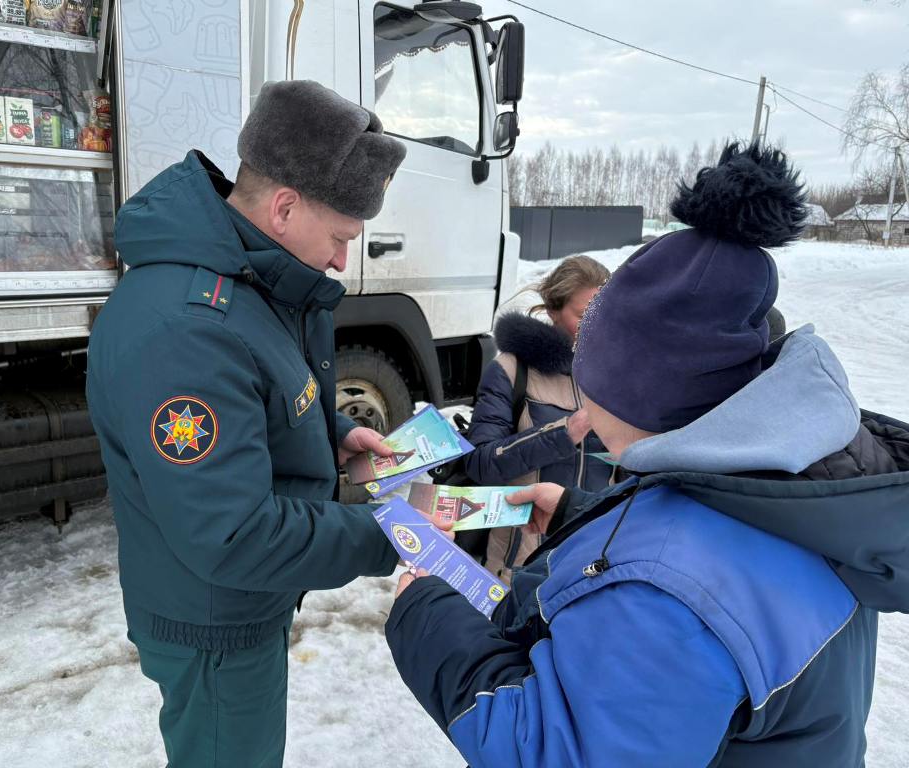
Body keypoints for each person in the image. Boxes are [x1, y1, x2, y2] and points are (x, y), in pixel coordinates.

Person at [385, 143, 909, 766]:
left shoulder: (666, 595)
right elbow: (709, 547)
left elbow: (555, 750)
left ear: (638, 392)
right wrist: (582, 514)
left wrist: (424, 610)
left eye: (592, 374)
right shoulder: (798, 487)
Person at [86, 80, 407, 768]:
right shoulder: (189, 327)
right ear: (285, 208)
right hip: (215, 627)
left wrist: (332, 437)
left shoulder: (249, 284)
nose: (341, 260)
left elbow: (258, 397)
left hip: (235, 609)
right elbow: (232, 534)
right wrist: (393, 533)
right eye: (340, 237)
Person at [463, 255, 616, 582]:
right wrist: (564, 433)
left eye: (605, 313)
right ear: (553, 311)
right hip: (521, 563)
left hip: (593, 560)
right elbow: (480, 462)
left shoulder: (617, 375)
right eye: (583, 315)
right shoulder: (512, 369)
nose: (596, 325)